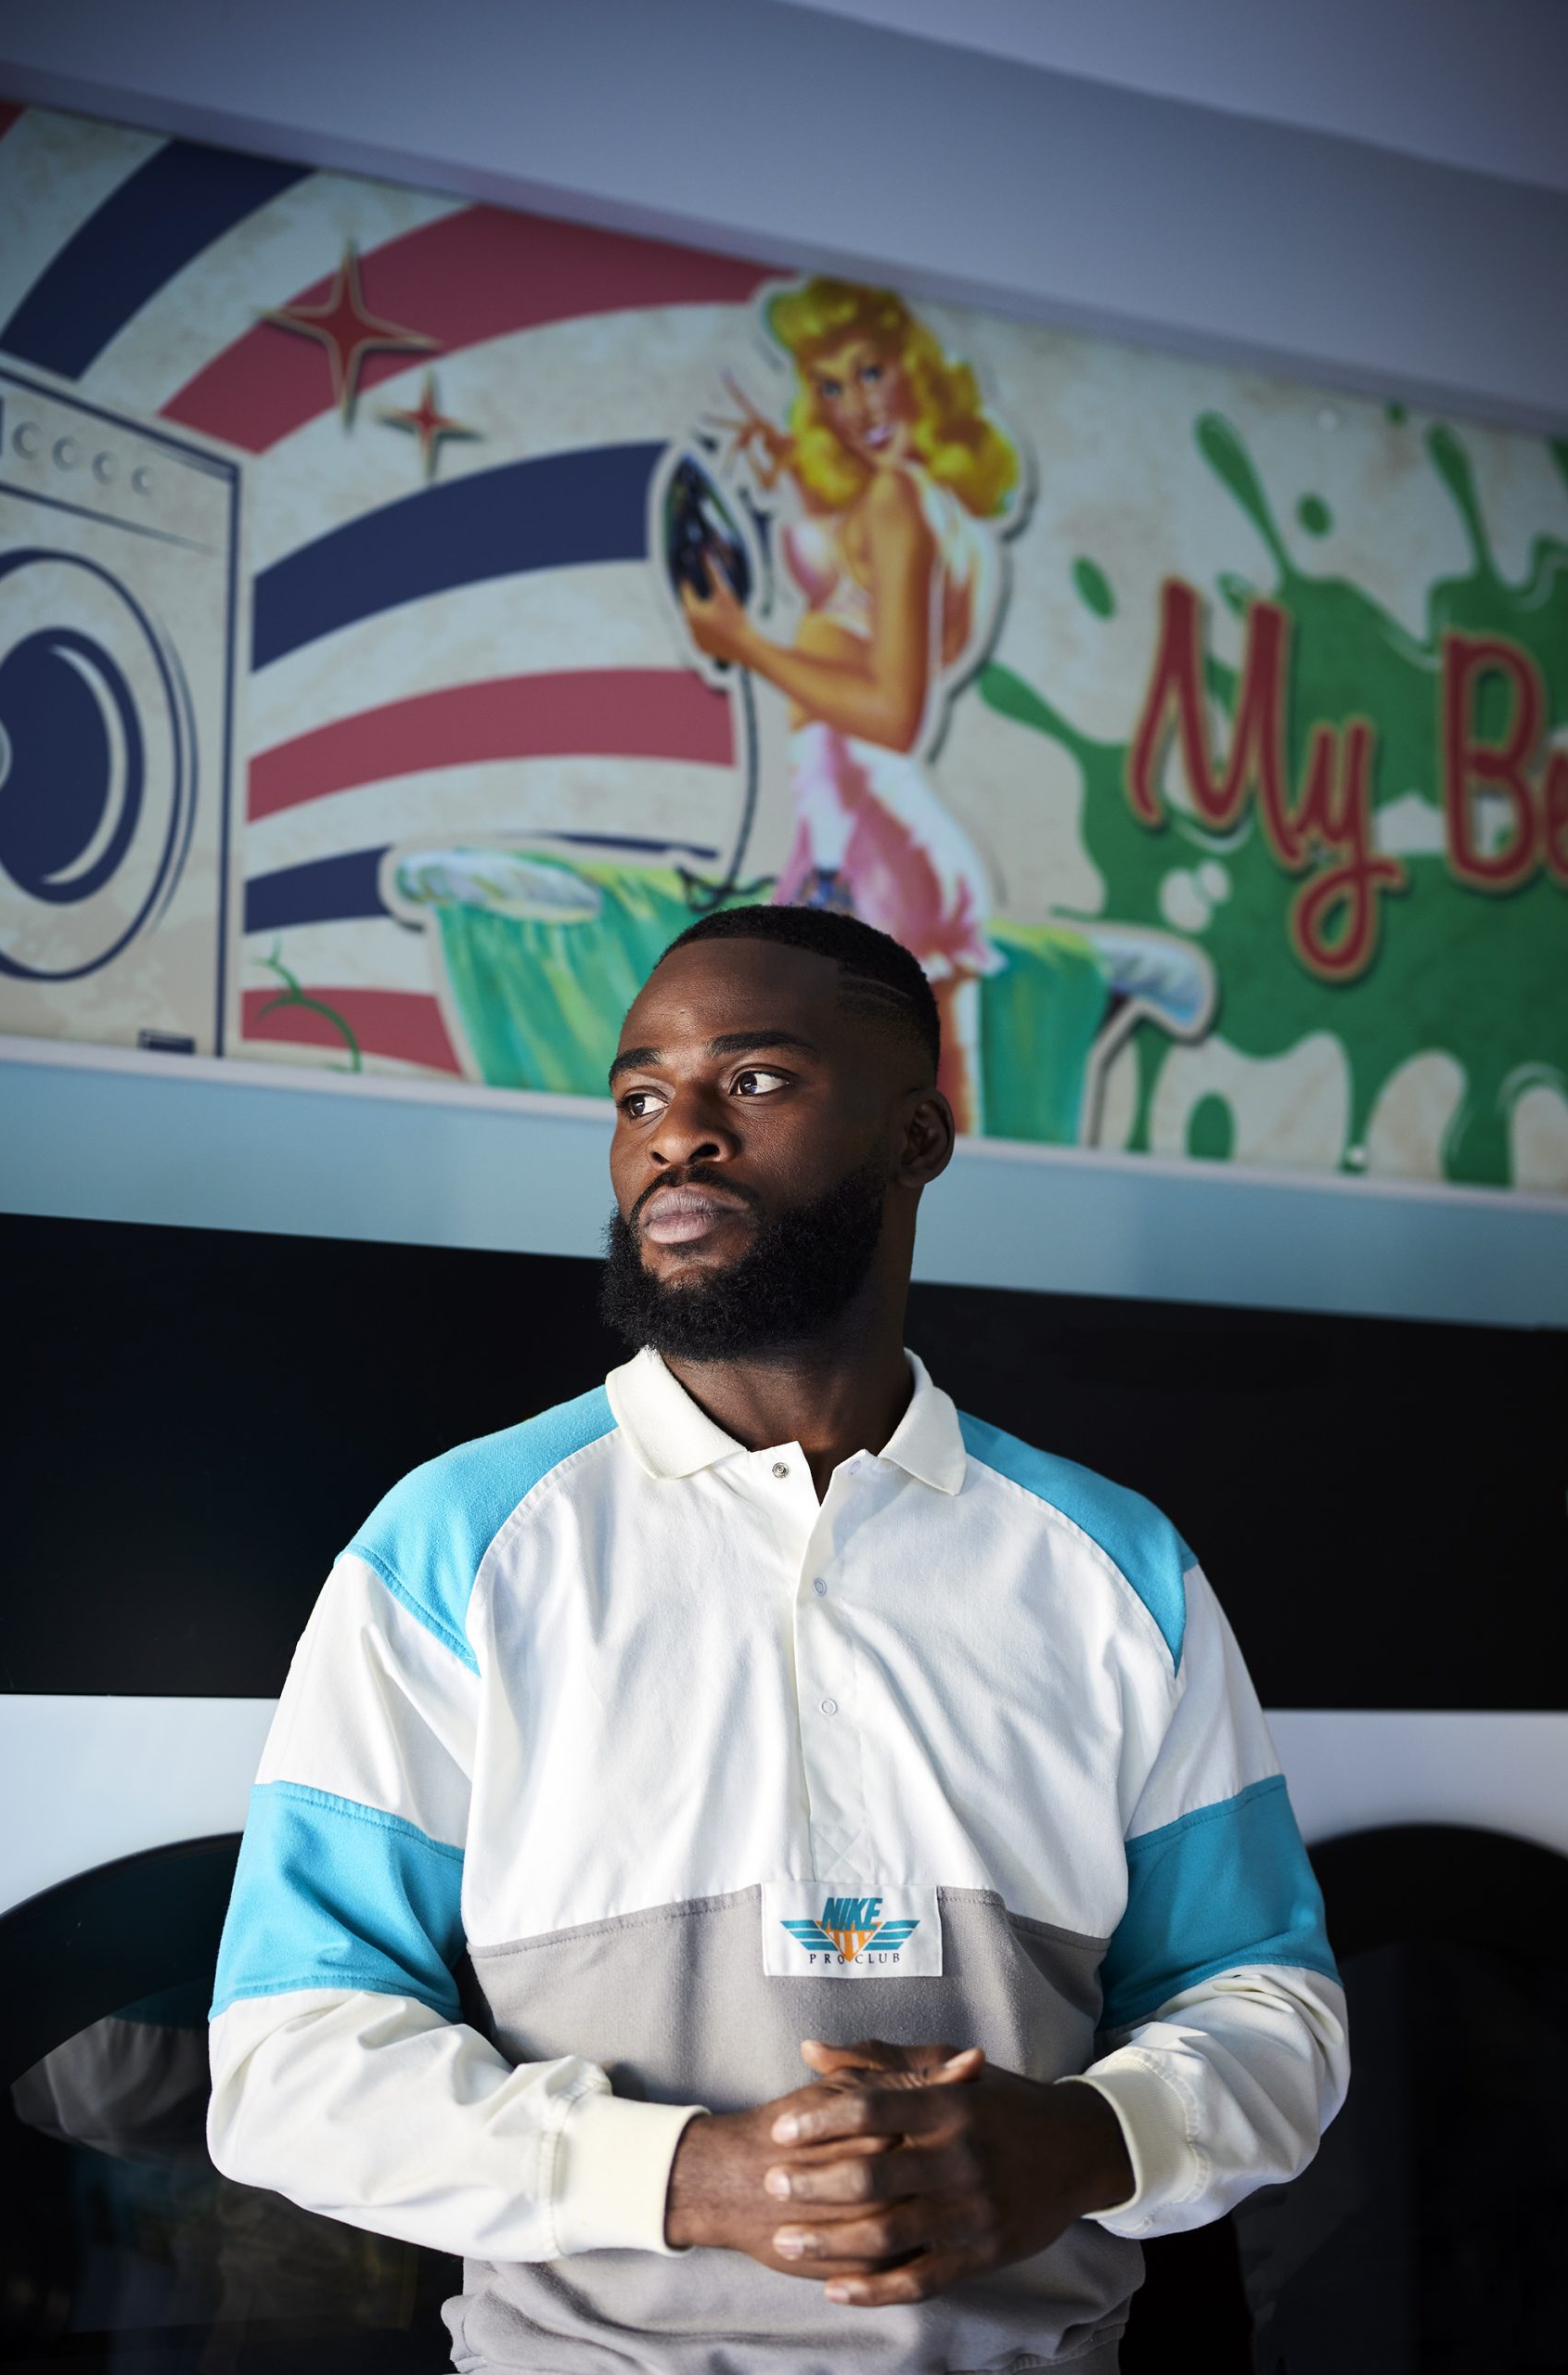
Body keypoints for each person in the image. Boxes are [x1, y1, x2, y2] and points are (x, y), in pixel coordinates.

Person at [207, 905, 1348, 2373]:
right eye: (637, 1096)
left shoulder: (1114, 1566)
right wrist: (694, 2178)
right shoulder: (454, 1547)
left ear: (919, 1139)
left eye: (751, 1081)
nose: (674, 1134)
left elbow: (1274, 2011)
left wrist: (1085, 2141)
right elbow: (286, 2062)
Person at [683, 280, 1023, 1134]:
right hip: (848, 826)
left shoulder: (896, 499)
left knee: (876, 1133)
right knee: (914, 1129)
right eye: (830, 386)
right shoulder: (915, 500)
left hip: (870, 832)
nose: (854, 405)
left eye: (872, 372)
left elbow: (893, 712)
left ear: (917, 371)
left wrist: (743, 641)